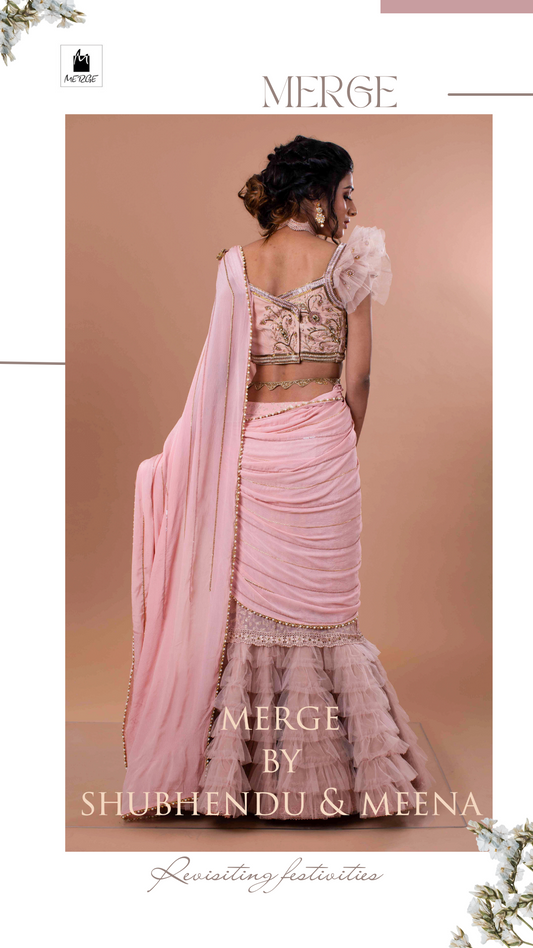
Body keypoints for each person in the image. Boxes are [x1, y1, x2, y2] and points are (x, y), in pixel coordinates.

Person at [120, 135, 433, 822]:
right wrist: (338, 442)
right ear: (317, 196)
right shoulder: (351, 260)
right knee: (327, 611)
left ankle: (242, 772)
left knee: (251, 612)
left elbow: (223, 374)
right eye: (346, 193)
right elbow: (359, 376)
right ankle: (337, 773)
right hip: (322, 440)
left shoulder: (237, 265)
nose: (352, 208)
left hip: (253, 447)